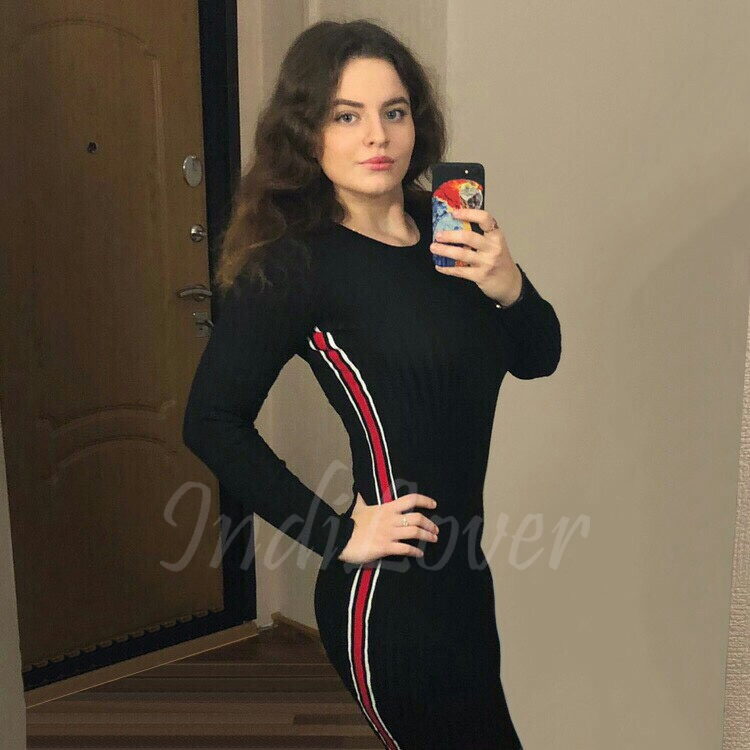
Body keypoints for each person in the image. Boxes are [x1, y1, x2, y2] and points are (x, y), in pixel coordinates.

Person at [182, 19, 561, 750]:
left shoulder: (446, 227)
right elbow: (210, 420)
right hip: (390, 596)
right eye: (346, 116)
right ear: (307, 133)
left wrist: (509, 284)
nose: (377, 136)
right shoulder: (294, 265)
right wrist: (334, 533)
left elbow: (537, 356)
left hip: (464, 579)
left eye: (394, 111)